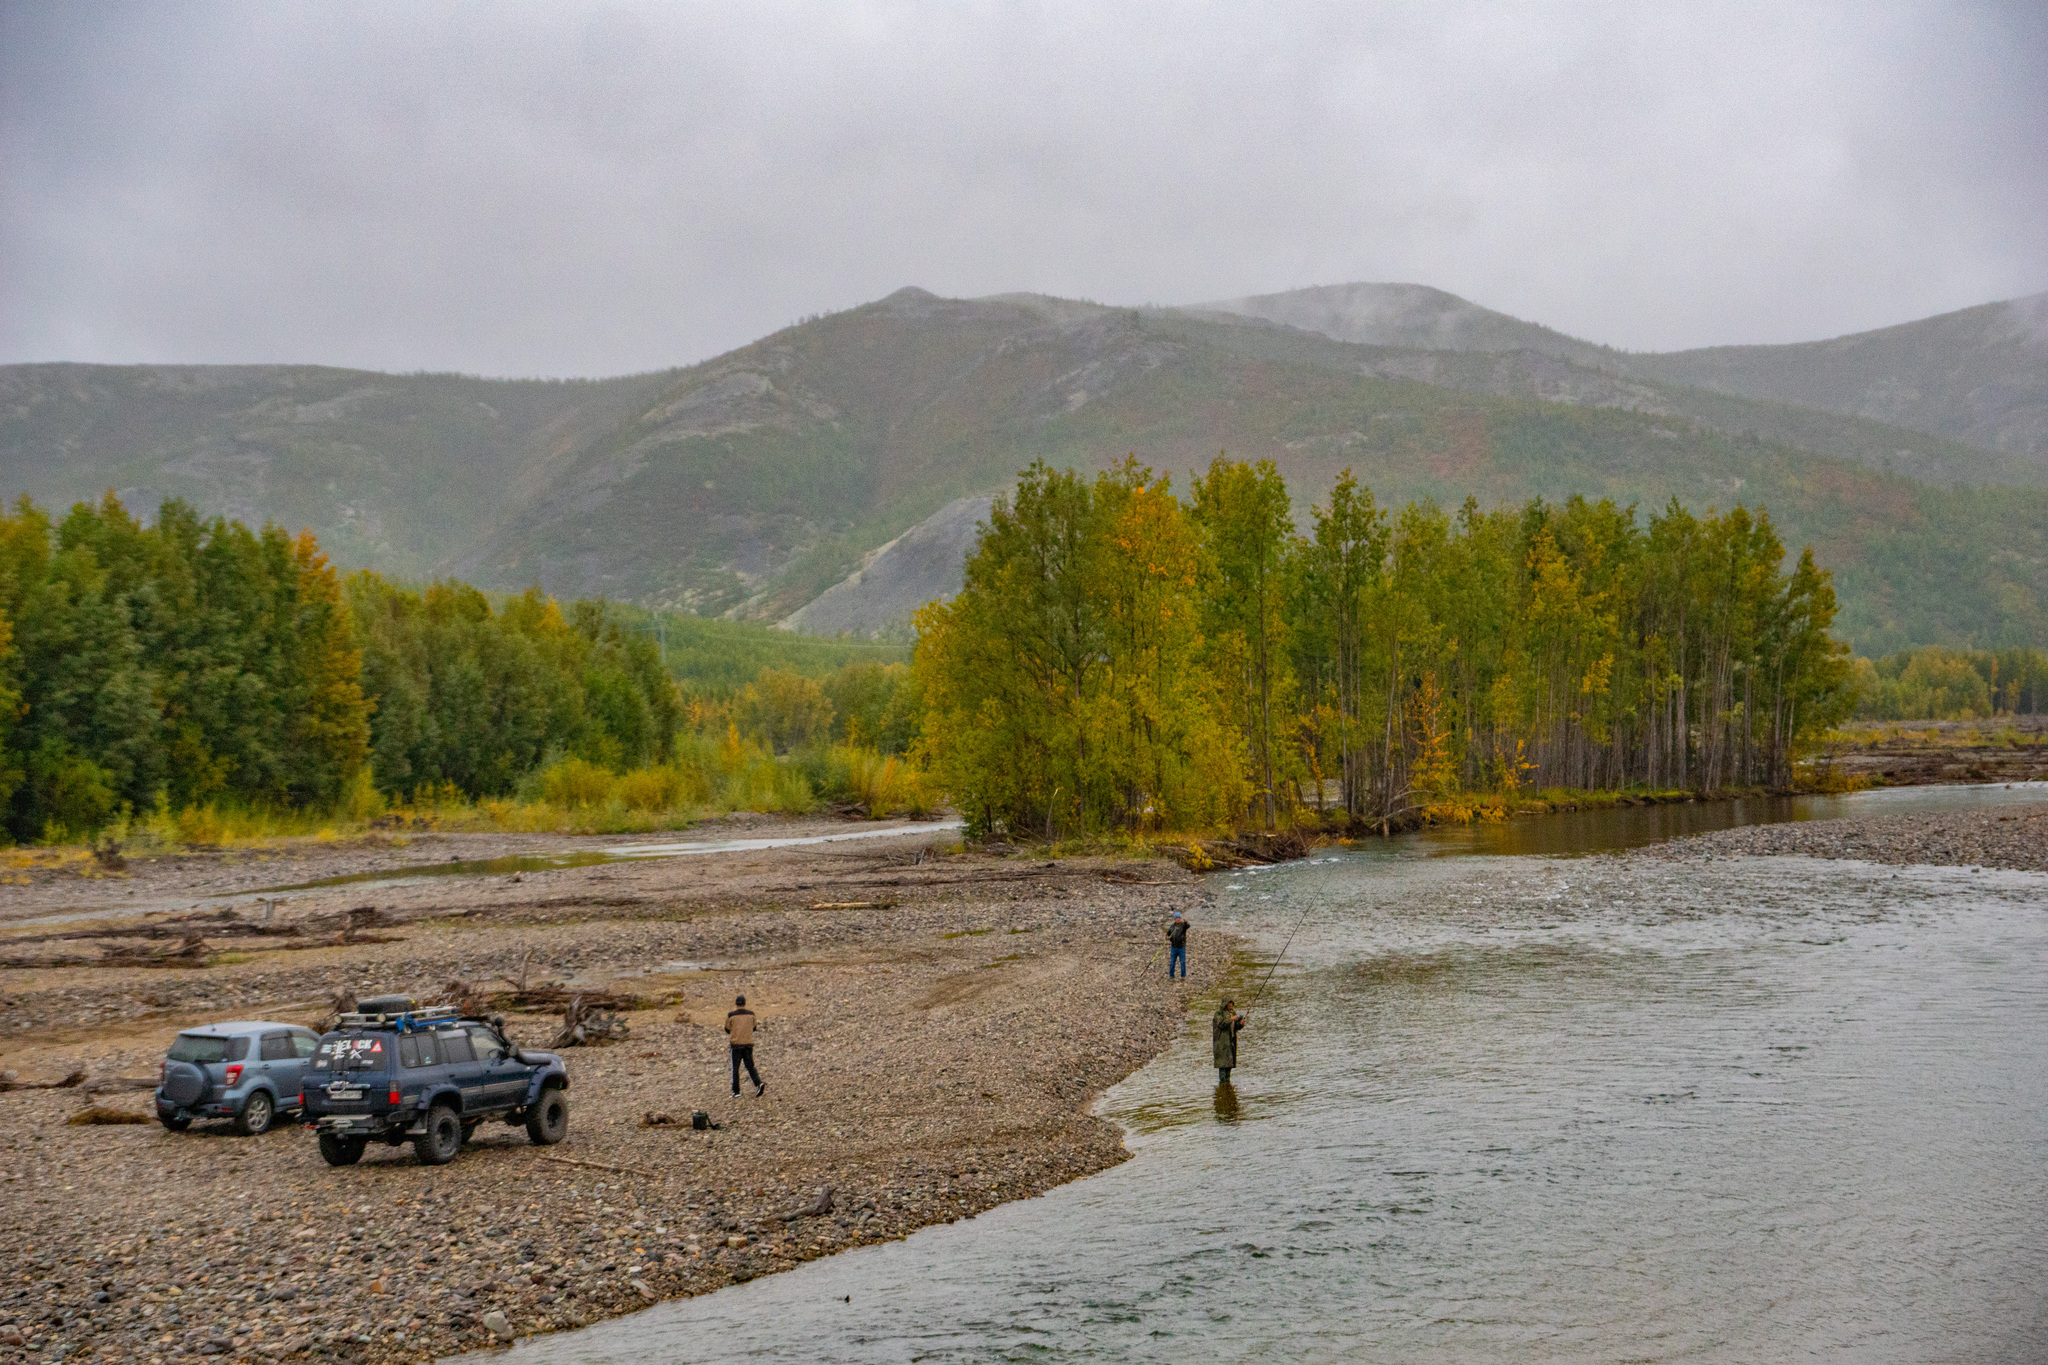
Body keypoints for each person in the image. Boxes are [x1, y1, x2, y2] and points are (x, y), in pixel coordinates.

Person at [726, 995, 765, 1097]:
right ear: (745, 1003)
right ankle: (758, 1083)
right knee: (750, 1066)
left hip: (736, 1045)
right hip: (748, 1044)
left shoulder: (731, 1015)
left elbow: (727, 1029)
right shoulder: (751, 1014)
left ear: (736, 1004)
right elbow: (754, 1027)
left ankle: (736, 1091)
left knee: (735, 1068)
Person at [1212, 998, 1246, 1084]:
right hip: (1221, 1044)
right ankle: (1223, 1085)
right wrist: (1232, 1019)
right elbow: (1221, 1024)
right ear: (1225, 1004)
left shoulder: (1233, 1013)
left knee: (1229, 1065)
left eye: (1231, 1003)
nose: (1230, 1005)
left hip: (1231, 1043)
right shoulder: (1218, 1014)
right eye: (1229, 1003)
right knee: (1223, 1066)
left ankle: (1226, 1087)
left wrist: (1241, 1024)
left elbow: (1235, 1027)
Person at [1166, 912, 1189, 980]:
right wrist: (1167, 937)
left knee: (1182, 962)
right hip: (1174, 947)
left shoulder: (1183, 925)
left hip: (1181, 947)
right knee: (1172, 962)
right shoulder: (1172, 926)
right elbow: (1168, 934)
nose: (1178, 919)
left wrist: (1186, 922)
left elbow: (1187, 926)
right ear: (1174, 919)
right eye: (1177, 918)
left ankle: (1183, 976)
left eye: (1179, 918)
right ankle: (1171, 975)